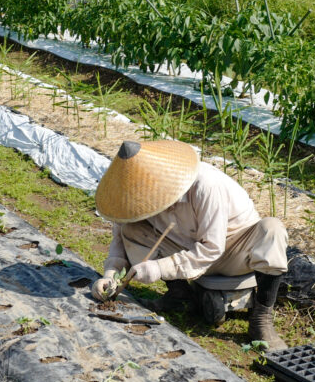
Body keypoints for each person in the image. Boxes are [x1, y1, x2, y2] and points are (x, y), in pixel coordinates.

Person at [91, 139, 289, 351]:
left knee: (272, 229)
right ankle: (180, 295)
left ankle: (261, 319)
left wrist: (159, 268)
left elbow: (212, 247)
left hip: (234, 251)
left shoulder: (206, 186)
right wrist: (110, 274)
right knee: (133, 229)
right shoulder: (136, 196)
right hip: (187, 247)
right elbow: (121, 235)